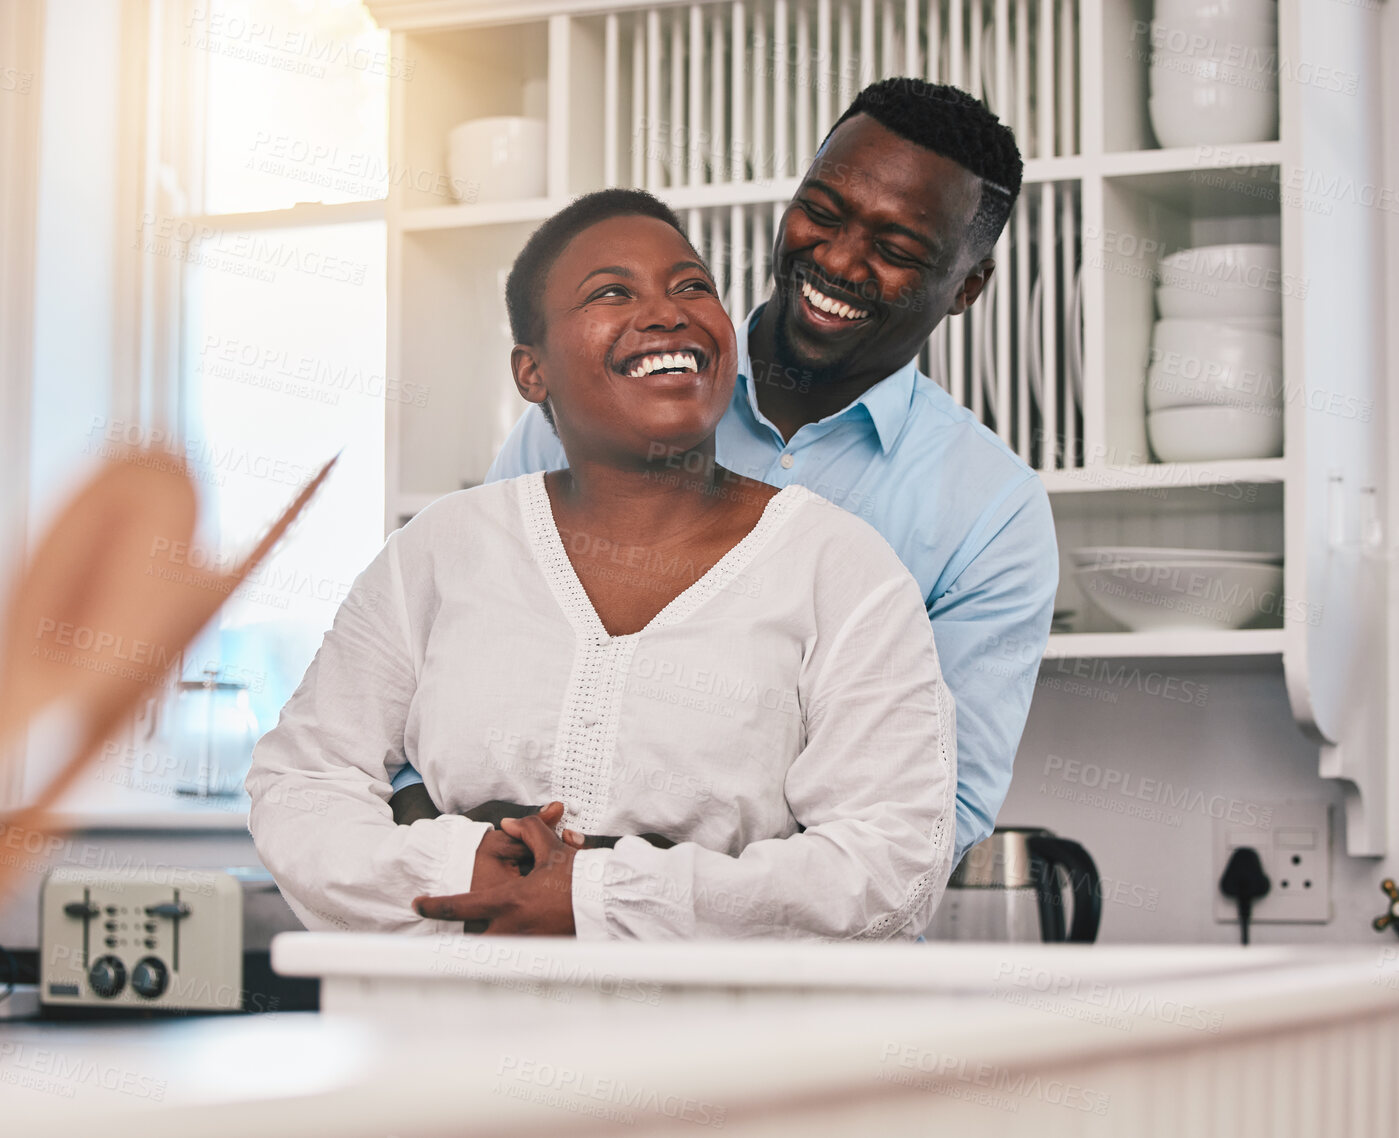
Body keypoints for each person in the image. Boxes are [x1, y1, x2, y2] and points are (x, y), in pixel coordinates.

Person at [247, 189, 956, 939]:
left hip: (723, 1053)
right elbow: (302, 780)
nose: (667, 312)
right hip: (448, 1040)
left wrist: (599, 895)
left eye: (692, 287)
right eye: (612, 292)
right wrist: (457, 868)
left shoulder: (842, 571)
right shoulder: (442, 549)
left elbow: (892, 861)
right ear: (532, 373)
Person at [390, 78, 1057, 866]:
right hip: (504, 935)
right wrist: (483, 852)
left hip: (771, 978)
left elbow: (926, 818)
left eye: (896, 250)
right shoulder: (596, 400)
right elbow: (427, 693)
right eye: (823, 210)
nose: (837, 259)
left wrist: (610, 886)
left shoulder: (991, 513)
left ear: (969, 288)